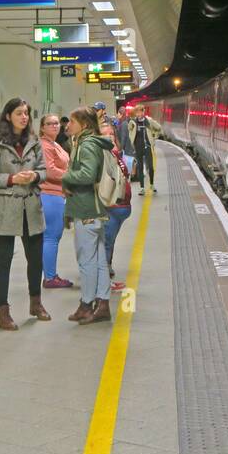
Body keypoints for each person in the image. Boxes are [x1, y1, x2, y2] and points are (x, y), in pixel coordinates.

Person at [0, 99, 50, 330]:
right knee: (4, 261)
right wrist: (11, 179)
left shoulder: (34, 140)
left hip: (30, 207)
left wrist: (35, 177)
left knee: (36, 259)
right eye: (19, 113)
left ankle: (36, 302)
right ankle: (3, 312)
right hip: (4, 208)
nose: (24, 117)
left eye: (27, 114)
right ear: (8, 116)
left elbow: (44, 170)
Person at [61, 107, 113, 324]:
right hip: (95, 210)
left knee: (87, 261)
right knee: (99, 260)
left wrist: (65, 177)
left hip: (86, 210)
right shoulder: (92, 142)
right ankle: (102, 304)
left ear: (83, 125)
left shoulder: (87, 145)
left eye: (71, 122)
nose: (67, 126)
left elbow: (87, 174)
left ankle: (86, 303)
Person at [39, 113, 77, 289]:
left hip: (57, 194)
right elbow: (50, 171)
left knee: (53, 236)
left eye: (56, 123)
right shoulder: (45, 145)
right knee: (51, 237)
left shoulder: (54, 144)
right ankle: (50, 277)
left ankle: (49, 274)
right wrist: (73, 176)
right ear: (42, 127)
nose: (55, 126)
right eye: (50, 124)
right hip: (50, 194)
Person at [98, 121, 133, 292]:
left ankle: (107, 273)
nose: (109, 137)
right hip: (111, 207)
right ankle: (103, 282)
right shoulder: (104, 155)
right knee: (105, 243)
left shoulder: (115, 153)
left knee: (109, 244)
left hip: (120, 207)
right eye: (105, 134)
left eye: (111, 134)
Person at [126, 104, 163, 195]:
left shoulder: (149, 121)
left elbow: (159, 128)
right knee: (140, 167)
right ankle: (142, 188)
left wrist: (154, 138)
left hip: (148, 147)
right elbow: (130, 131)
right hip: (138, 147)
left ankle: (151, 184)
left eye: (140, 112)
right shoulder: (133, 122)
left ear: (143, 112)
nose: (138, 114)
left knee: (150, 167)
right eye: (137, 112)